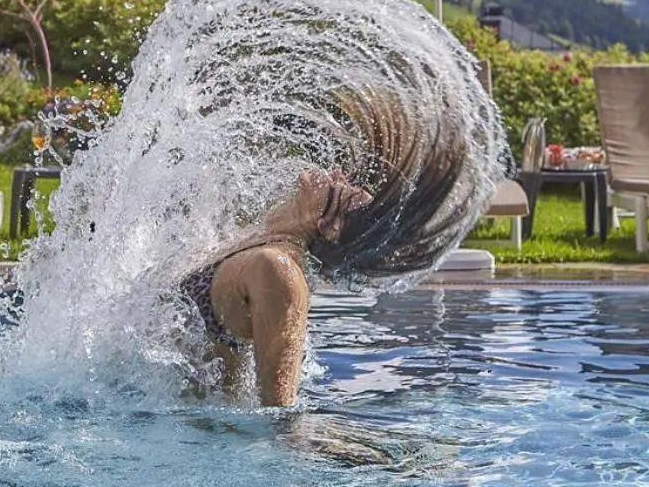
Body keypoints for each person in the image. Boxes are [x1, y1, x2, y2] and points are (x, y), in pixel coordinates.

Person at [180, 90, 476, 407]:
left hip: (192, 438)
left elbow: (279, 415)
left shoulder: (278, 270)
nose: (336, 176)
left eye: (344, 192)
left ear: (331, 228)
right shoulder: (257, 243)